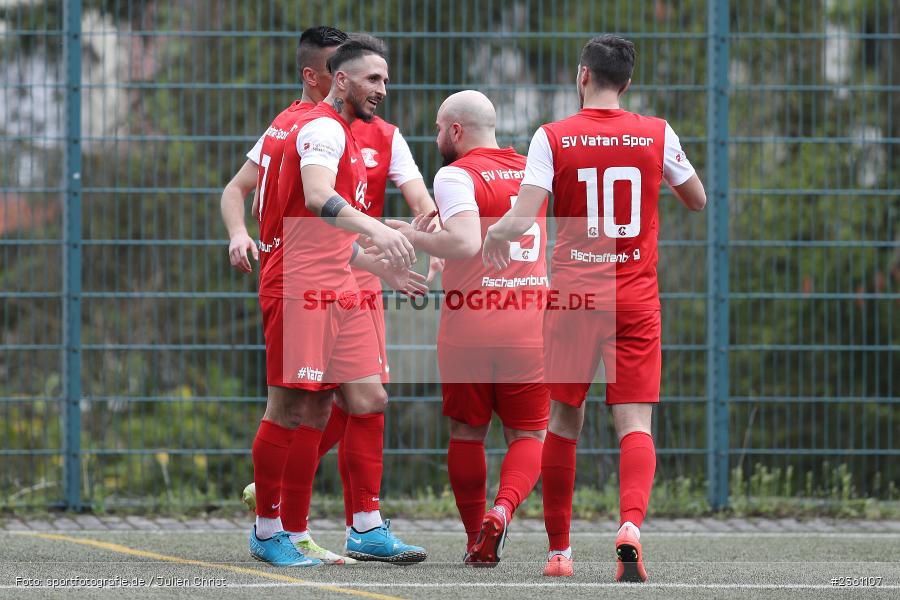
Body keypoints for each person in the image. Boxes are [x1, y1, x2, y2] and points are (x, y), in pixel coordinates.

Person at [482, 34, 706, 581]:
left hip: (575, 298)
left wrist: (492, 237)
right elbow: (697, 198)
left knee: (563, 421)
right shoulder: (656, 132)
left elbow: (523, 215)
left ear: (583, 75)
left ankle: (559, 552)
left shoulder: (552, 136)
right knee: (635, 423)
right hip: (634, 298)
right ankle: (629, 525)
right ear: (626, 82)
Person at [224, 26, 441, 562]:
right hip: (300, 281)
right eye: (373, 79)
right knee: (291, 408)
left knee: (366, 398)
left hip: (341, 278)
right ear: (334, 80)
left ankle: (361, 527)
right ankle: (270, 529)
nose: (383, 89)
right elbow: (318, 198)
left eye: (386, 79)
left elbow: (326, 225)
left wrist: (388, 246)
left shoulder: (342, 129)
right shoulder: (319, 129)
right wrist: (378, 230)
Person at [386, 90, 549, 566]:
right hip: (528, 326)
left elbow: (463, 242)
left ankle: (475, 537)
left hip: (468, 325)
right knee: (528, 436)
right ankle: (502, 511)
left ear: (456, 130)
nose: (437, 138)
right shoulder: (531, 170)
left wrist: (406, 232)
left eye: (439, 129)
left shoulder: (455, 174)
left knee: (466, 434)